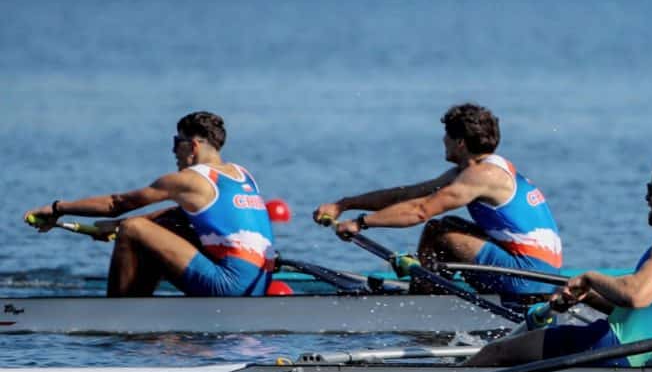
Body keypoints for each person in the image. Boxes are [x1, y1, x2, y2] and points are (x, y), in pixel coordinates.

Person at [467, 156, 652, 368]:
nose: (647, 198)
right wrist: (588, 295)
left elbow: (636, 296)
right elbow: (647, 313)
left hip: (612, 348)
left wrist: (590, 278)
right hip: (644, 356)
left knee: (495, 353)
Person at [313, 103, 562, 296]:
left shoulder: (482, 175)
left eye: (447, 136)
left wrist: (361, 223)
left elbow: (420, 211)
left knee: (440, 236)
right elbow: (406, 195)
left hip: (529, 278)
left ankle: (424, 302)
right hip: (536, 272)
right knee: (442, 227)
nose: (443, 141)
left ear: (460, 142)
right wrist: (343, 204)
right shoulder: (475, 171)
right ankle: (437, 290)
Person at [24, 111, 275, 297]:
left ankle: (116, 315)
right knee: (164, 225)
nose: (173, 151)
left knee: (133, 229)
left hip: (228, 285)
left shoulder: (189, 179)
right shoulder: (243, 175)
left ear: (194, 145)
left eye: (177, 142)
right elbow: (178, 214)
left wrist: (57, 208)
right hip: (259, 285)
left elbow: (116, 203)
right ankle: (144, 310)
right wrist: (114, 226)